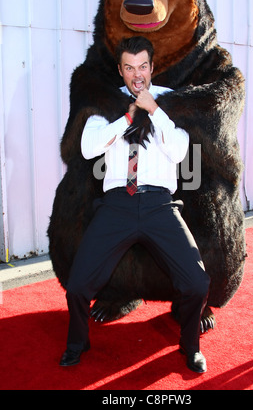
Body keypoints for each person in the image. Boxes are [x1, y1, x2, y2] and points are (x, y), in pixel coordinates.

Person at [59, 36, 211, 373]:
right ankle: (77, 342)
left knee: (197, 283)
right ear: (120, 69)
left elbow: (180, 151)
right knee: (79, 285)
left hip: (160, 204)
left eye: (143, 66)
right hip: (117, 205)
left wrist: (153, 111)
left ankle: (190, 345)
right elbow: (88, 147)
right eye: (129, 67)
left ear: (152, 67)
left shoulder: (168, 102)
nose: (137, 73)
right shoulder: (107, 102)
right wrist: (127, 118)